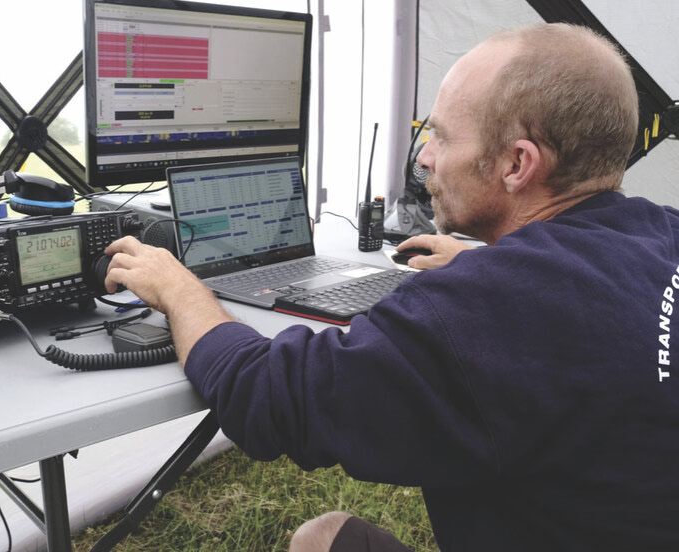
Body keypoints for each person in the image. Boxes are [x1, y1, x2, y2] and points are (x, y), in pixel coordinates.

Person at [103, 22, 679, 551]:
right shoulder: (662, 233)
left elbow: (265, 397)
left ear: (516, 165)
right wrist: (495, 260)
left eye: (442, 137)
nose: (425, 157)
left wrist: (179, 288)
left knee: (319, 538)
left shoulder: (492, 309)